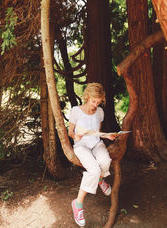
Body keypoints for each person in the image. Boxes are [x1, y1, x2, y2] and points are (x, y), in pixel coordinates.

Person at [68, 82, 116, 227]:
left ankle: (100, 179)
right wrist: (75, 136)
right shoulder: (76, 111)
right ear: (87, 97)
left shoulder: (100, 112)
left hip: (95, 143)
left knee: (105, 161)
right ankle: (78, 204)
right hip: (81, 146)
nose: (96, 104)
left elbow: (96, 132)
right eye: (94, 101)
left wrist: (106, 135)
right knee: (94, 170)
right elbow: (70, 132)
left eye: (99, 102)